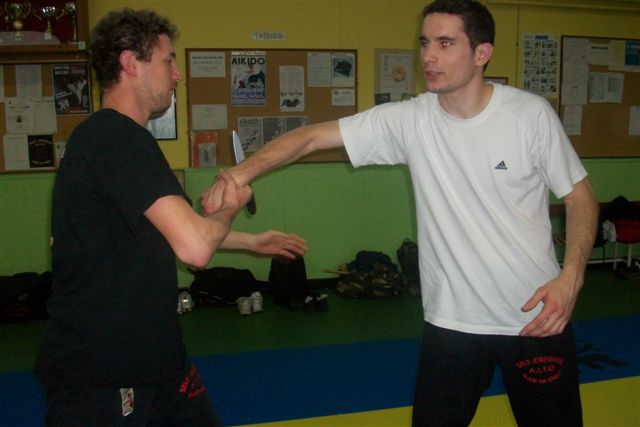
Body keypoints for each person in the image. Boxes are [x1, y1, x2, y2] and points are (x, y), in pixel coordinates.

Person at [201, 1, 598, 425]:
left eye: (445, 43)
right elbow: (310, 138)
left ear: (482, 53)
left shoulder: (528, 116)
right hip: (452, 323)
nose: (429, 56)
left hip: (536, 316)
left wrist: (571, 277)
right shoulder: (411, 120)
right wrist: (239, 174)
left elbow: (580, 197)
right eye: (425, 43)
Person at [35, 9, 307, 427]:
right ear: (131, 63)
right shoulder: (118, 138)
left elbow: (169, 230)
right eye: (168, 61)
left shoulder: (107, 139)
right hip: (105, 373)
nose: (177, 75)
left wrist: (251, 242)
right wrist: (232, 205)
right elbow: (195, 248)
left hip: (157, 360)